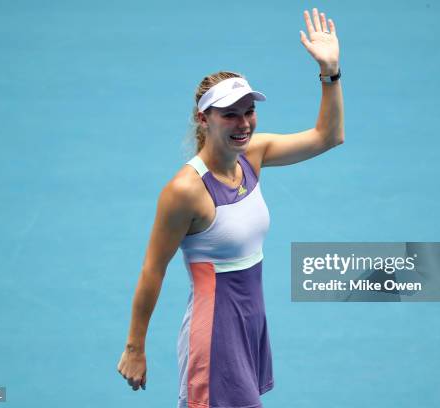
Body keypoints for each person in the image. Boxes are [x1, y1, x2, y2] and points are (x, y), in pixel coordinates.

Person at [118, 7, 344, 408]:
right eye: (230, 115)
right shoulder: (185, 190)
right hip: (215, 334)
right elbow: (153, 268)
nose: (244, 123)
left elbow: (328, 137)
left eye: (249, 111)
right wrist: (135, 347)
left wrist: (330, 74)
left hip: (250, 322)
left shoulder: (252, 155)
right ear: (204, 118)